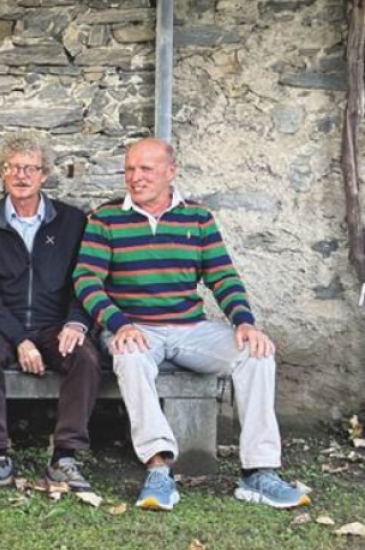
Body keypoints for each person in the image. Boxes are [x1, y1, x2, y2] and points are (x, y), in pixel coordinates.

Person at [74, 137, 309, 511]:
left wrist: (244, 322)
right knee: (129, 355)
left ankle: (259, 471)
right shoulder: (106, 218)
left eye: (146, 169)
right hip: (135, 327)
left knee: (256, 353)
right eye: (130, 169)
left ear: (171, 171)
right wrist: (118, 323)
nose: (135, 177)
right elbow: (86, 280)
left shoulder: (198, 218)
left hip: (190, 328)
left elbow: (223, 277)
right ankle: (158, 467)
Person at [0, 133, 98, 491]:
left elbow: (86, 281)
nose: (21, 176)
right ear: (2, 173)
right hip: (1, 323)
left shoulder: (72, 222)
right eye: (12, 168)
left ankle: (65, 456)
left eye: (30, 168)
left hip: (54, 323)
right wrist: (21, 339)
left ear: (45, 175)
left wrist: (76, 322)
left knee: (85, 355)